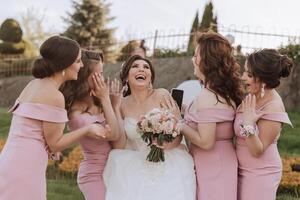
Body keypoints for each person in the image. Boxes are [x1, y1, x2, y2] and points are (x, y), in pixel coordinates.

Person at [0, 36, 105, 200]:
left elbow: (31, 129)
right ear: (65, 64)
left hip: (9, 159)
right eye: (78, 61)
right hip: (26, 166)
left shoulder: (34, 84)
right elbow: (55, 144)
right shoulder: (55, 96)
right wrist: (88, 129)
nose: (82, 65)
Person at [103, 55, 196, 200]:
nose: (141, 69)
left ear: (150, 77)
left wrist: (161, 145)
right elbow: (119, 145)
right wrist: (115, 108)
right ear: (127, 76)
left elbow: (178, 134)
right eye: (135, 66)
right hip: (135, 164)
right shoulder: (122, 103)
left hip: (169, 159)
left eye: (146, 67)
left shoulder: (162, 95)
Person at [164, 32, 244, 200]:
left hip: (213, 166)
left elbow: (206, 142)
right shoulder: (219, 92)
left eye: (196, 55)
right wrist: (185, 112)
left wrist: (179, 122)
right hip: (217, 163)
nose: (193, 60)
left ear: (207, 61)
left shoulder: (208, 96)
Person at [234, 49, 293, 200]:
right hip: (239, 170)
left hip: (261, 174)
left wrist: (248, 124)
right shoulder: (251, 95)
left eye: (249, 75)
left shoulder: (273, 106)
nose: (243, 77)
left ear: (263, 79)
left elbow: (257, 150)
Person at [60, 50, 120, 200]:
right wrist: (107, 100)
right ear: (84, 77)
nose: (103, 78)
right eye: (98, 73)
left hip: (114, 169)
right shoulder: (76, 115)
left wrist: (112, 103)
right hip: (94, 174)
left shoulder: (97, 101)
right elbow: (113, 135)